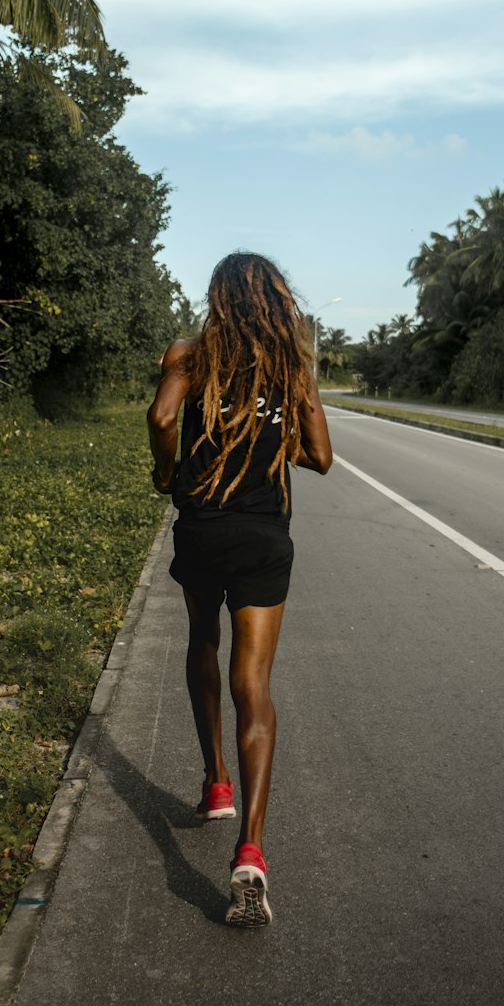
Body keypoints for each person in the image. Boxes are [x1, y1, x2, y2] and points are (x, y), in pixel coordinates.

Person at [146, 251, 333, 927]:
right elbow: (320, 456)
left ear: (217, 297)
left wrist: (168, 473)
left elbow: (163, 420)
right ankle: (249, 848)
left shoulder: (188, 354)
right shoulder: (290, 368)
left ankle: (215, 783)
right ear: (274, 300)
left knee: (202, 639)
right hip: (262, 535)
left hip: (202, 528)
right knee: (252, 683)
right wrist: (265, 438)